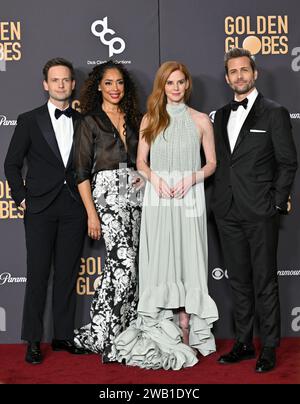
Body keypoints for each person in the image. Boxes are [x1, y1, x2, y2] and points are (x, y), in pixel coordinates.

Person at [114, 61, 219, 370]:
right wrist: (156, 179)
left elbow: (211, 163)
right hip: (158, 197)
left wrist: (191, 178)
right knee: (161, 260)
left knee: (190, 258)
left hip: (190, 197)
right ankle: (163, 327)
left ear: (187, 85)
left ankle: (188, 325)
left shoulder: (201, 121)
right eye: (169, 83)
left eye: (180, 82)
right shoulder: (151, 119)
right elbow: (141, 162)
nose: (175, 88)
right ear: (162, 86)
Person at [212, 47, 298, 373]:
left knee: (264, 281)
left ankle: (270, 347)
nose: (239, 76)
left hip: (260, 210)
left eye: (244, 70)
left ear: (255, 73)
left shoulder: (274, 112)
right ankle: (244, 343)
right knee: (239, 282)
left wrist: (276, 202)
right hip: (227, 212)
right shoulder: (220, 115)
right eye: (233, 72)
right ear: (227, 78)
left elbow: (288, 163)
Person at [4, 58, 88, 364]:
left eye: (66, 80)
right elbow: (11, 163)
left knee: (67, 275)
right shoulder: (28, 119)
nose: (61, 85)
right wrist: (20, 197)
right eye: (55, 80)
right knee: (38, 275)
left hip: (74, 208)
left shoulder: (83, 121)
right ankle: (33, 340)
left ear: (73, 83)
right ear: (45, 85)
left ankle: (63, 336)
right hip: (39, 208)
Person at [73, 61, 143, 363]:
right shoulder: (89, 121)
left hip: (136, 193)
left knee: (126, 267)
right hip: (107, 193)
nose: (115, 88)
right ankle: (109, 336)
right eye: (109, 83)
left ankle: (108, 332)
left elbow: (143, 158)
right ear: (98, 86)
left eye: (119, 83)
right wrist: (91, 213)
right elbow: (80, 172)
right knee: (124, 262)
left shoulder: (135, 118)